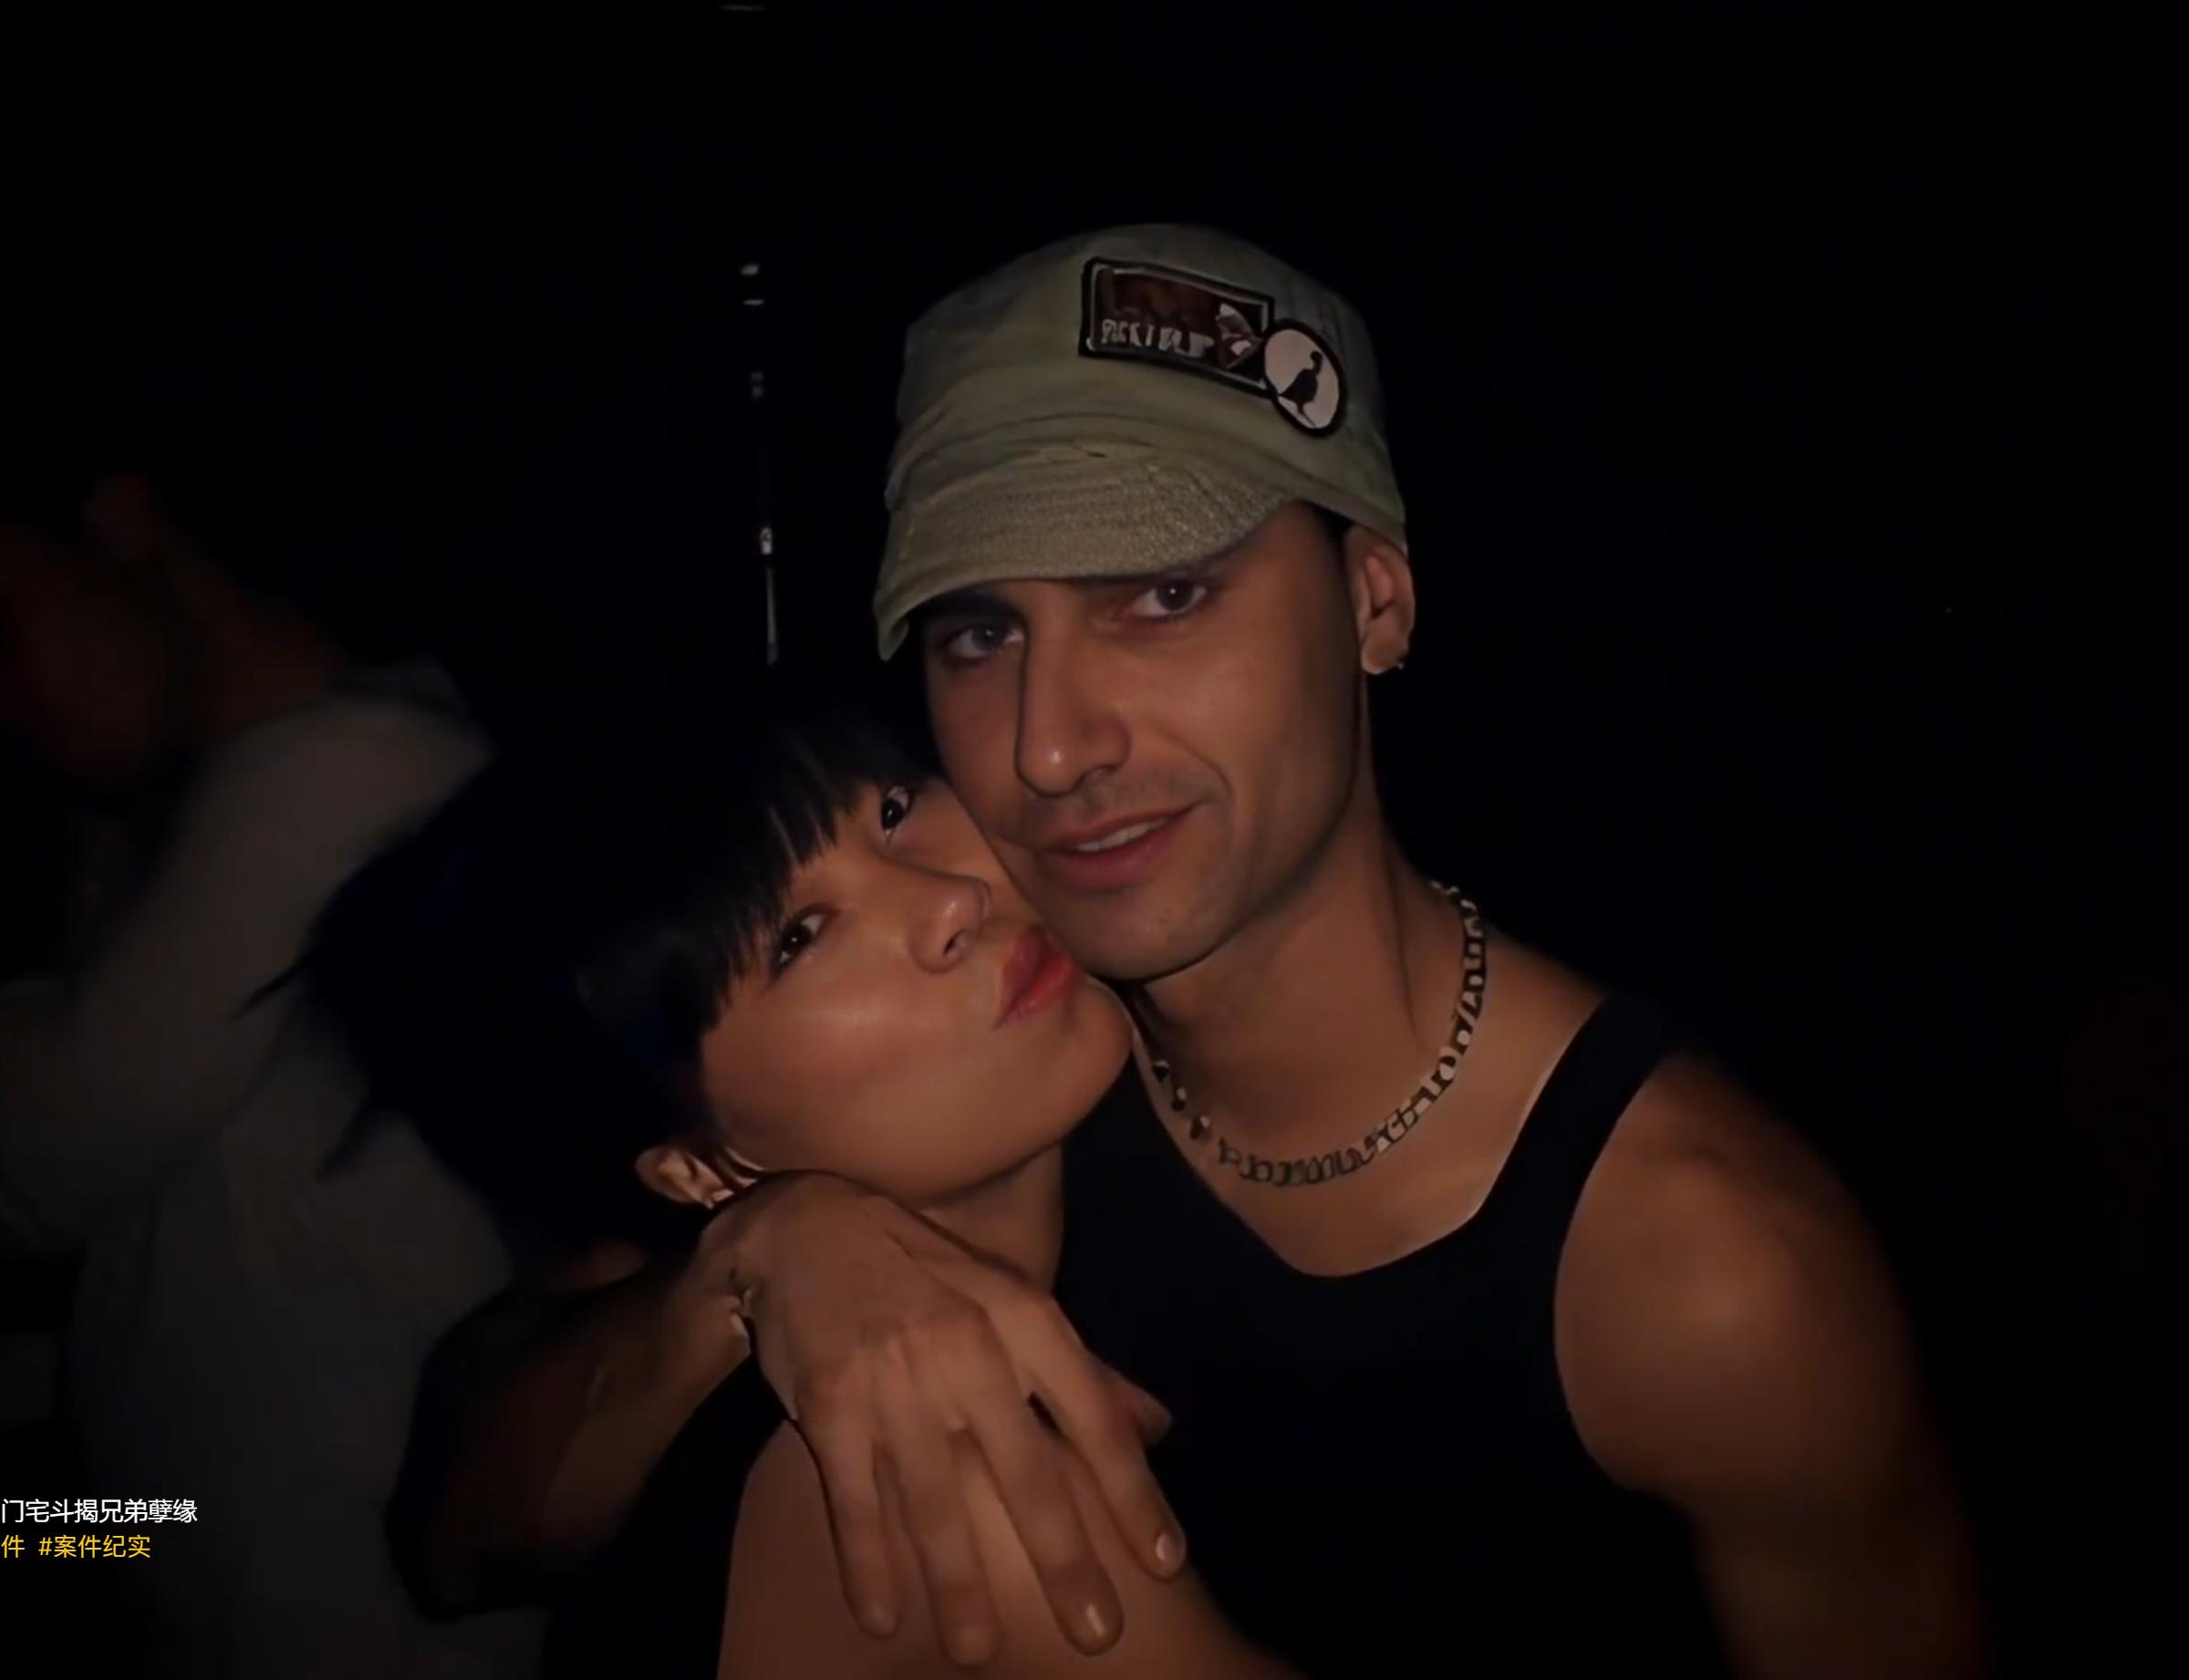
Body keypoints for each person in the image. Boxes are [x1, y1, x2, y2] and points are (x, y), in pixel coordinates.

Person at [402, 225, 1987, 1677]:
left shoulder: (1707, 1271)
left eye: (1164, 594)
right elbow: (459, 1502)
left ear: (1375, 599)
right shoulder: (1005, 1070)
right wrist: (769, 1254)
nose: (1051, 744)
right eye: (981, 632)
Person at [309, 706, 1299, 1678]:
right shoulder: (930, 1485)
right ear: (702, 1164)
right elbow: (459, 1502)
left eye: (895, 810)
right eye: (801, 937)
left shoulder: (1158, 1099)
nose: (951, 899)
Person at [0, 411, 539, 1675]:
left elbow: (40, 1159)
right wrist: (34, 1527)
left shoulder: (360, 771)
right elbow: (139, 1299)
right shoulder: (164, 839)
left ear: (121, 522)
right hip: (192, 1576)